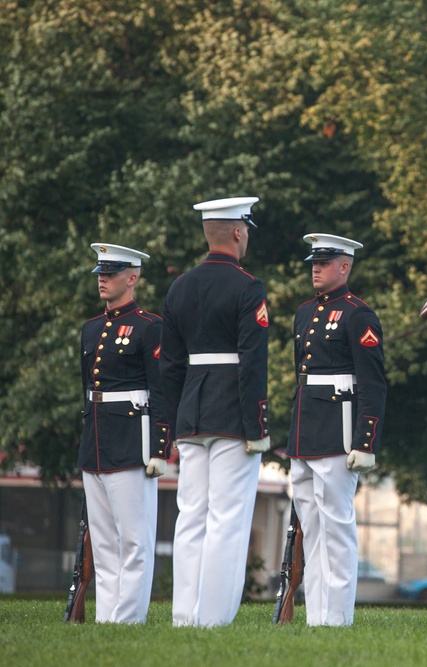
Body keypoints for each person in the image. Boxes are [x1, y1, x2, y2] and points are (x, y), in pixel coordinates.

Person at [160, 196, 271, 627]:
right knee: (227, 518)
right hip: (232, 414)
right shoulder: (248, 287)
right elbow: (252, 363)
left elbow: (169, 366)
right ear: (238, 232)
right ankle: (213, 619)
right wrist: (257, 424)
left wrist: (169, 423)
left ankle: (184, 616)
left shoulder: (179, 286)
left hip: (191, 411)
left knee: (191, 517)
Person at [287, 233, 386, 626]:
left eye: (325, 261)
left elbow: (373, 383)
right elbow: (302, 376)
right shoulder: (303, 312)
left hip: (339, 431)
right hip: (305, 429)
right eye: (314, 261)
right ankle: (317, 617)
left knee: (337, 528)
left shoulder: (358, 314)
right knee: (311, 529)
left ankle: (338, 617)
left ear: (344, 266)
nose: (316, 267)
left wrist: (366, 440)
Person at [79, 243, 169, 623]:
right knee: (103, 541)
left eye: (111, 272)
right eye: (100, 272)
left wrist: (160, 448)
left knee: (133, 540)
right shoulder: (91, 328)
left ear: (132, 278)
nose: (103, 278)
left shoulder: (151, 327)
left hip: (133, 439)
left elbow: (162, 390)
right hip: (96, 440)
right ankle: (107, 618)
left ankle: (128, 618)